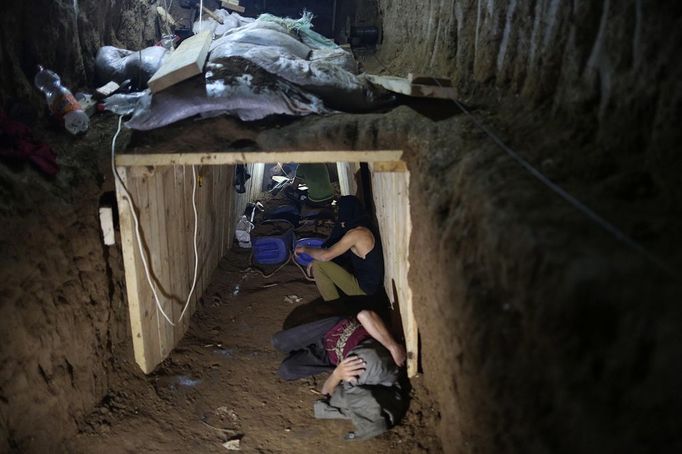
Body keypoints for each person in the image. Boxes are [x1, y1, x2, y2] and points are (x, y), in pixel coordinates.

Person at [272, 310, 408, 440]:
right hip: (333, 329)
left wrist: (337, 374)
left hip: (327, 357)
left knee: (286, 371)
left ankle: (303, 348)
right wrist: (393, 346)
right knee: (278, 342)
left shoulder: (355, 379)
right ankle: (304, 336)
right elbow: (365, 315)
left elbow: (325, 392)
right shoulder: (380, 345)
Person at [294, 196, 384, 301]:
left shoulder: (357, 234)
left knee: (319, 265)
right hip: (370, 284)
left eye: (340, 212)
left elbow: (325, 256)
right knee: (324, 261)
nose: (339, 219)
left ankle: (334, 306)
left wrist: (305, 249)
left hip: (364, 291)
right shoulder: (363, 226)